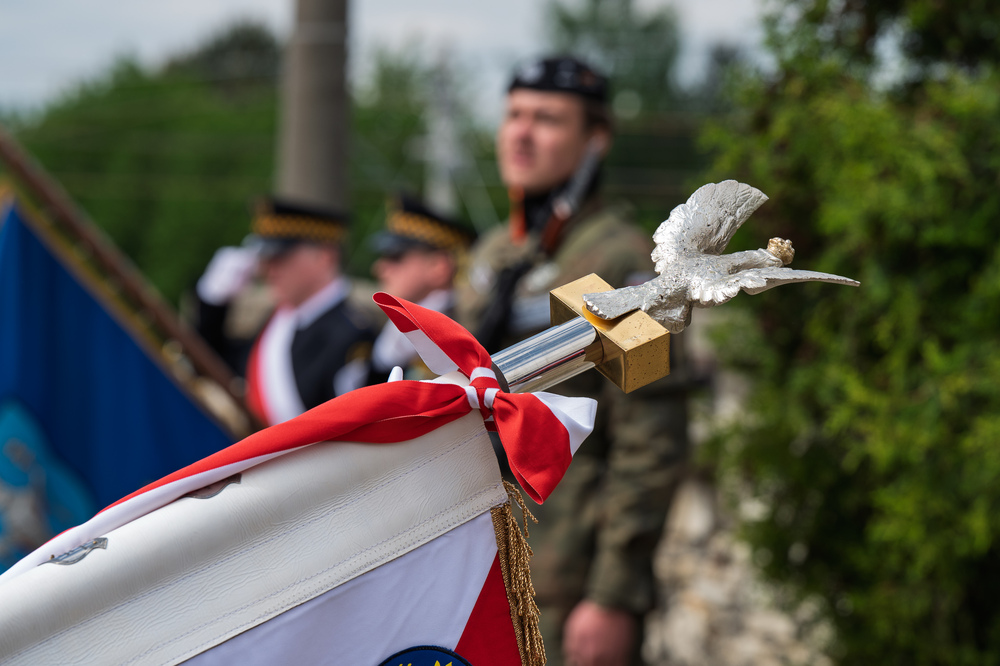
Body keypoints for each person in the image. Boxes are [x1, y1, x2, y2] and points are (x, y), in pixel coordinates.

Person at [456, 56, 690, 666]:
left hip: (563, 584)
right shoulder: (491, 255)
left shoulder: (615, 261)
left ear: (596, 140)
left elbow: (651, 434)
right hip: (472, 566)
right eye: (513, 115)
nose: (522, 133)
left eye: (547, 119)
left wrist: (614, 594)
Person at [195, 196, 377, 427]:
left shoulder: (351, 334)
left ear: (324, 256)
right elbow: (217, 368)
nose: (268, 268)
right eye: (265, 257)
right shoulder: (279, 322)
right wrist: (212, 306)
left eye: (280, 256)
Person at [368, 192, 475, 381]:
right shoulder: (383, 330)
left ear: (439, 267)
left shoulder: (462, 331)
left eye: (395, 257)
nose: (379, 268)